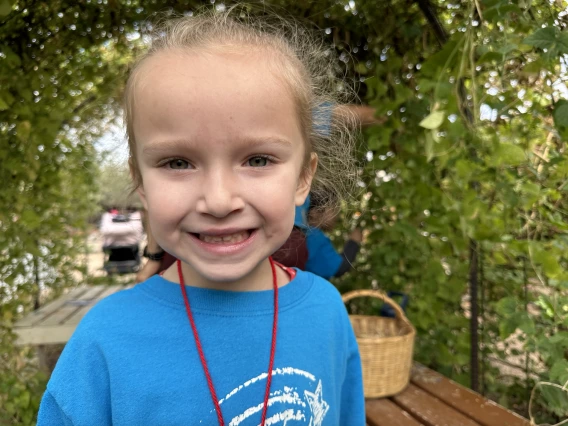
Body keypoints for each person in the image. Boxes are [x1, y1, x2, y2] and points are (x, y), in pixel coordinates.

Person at [38, 8, 365, 426]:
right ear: (140, 182)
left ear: (303, 177)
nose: (218, 199)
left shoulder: (327, 313)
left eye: (258, 159)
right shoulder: (104, 341)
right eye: (177, 163)